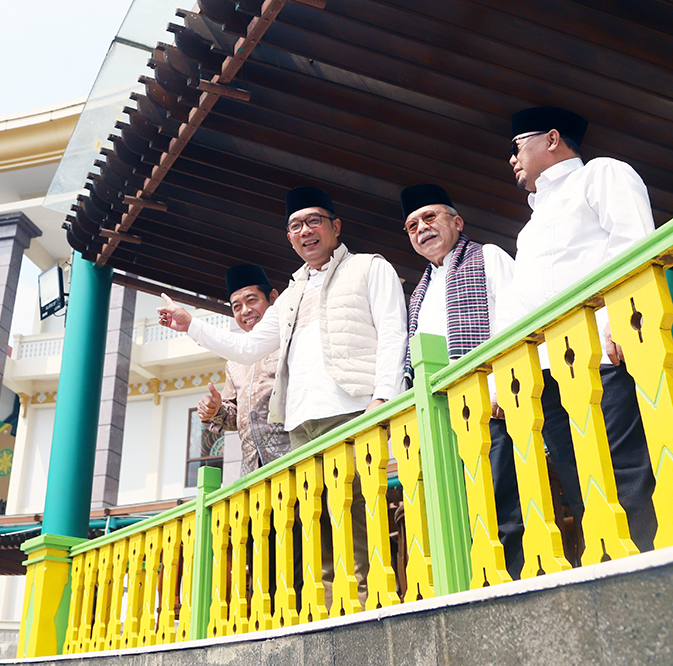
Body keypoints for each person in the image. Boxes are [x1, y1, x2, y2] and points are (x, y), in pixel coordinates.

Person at [158, 185, 408, 604]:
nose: (306, 231)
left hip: (352, 411)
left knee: (358, 518)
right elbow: (247, 346)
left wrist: (382, 399)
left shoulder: (369, 268)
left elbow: (393, 332)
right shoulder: (290, 296)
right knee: (318, 528)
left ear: (335, 227)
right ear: (289, 238)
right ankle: (332, 614)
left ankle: (369, 609)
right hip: (300, 427)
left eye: (314, 221)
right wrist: (192, 324)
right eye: (296, 226)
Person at [508, 105, 657, 553]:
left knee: (623, 469)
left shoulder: (601, 174)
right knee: (579, 479)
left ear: (551, 139)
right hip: (549, 371)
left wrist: (617, 323)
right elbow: (520, 306)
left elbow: (632, 244)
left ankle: (647, 569)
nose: (512, 158)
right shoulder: (530, 227)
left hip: (601, 354)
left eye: (517, 146)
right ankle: (607, 566)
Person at [400, 183, 524, 579]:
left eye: (430, 217)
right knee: (458, 506)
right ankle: (473, 580)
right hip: (440, 415)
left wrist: (499, 384)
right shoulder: (419, 290)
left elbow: (512, 322)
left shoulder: (486, 257)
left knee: (501, 499)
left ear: (457, 221)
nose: (422, 228)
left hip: (489, 401)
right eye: (412, 224)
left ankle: (512, 578)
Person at [197, 264, 290, 476]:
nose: (245, 311)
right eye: (237, 306)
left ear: (273, 298)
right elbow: (235, 416)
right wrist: (215, 409)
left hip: (294, 459)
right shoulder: (235, 361)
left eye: (251, 300)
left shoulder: (290, 340)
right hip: (253, 471)